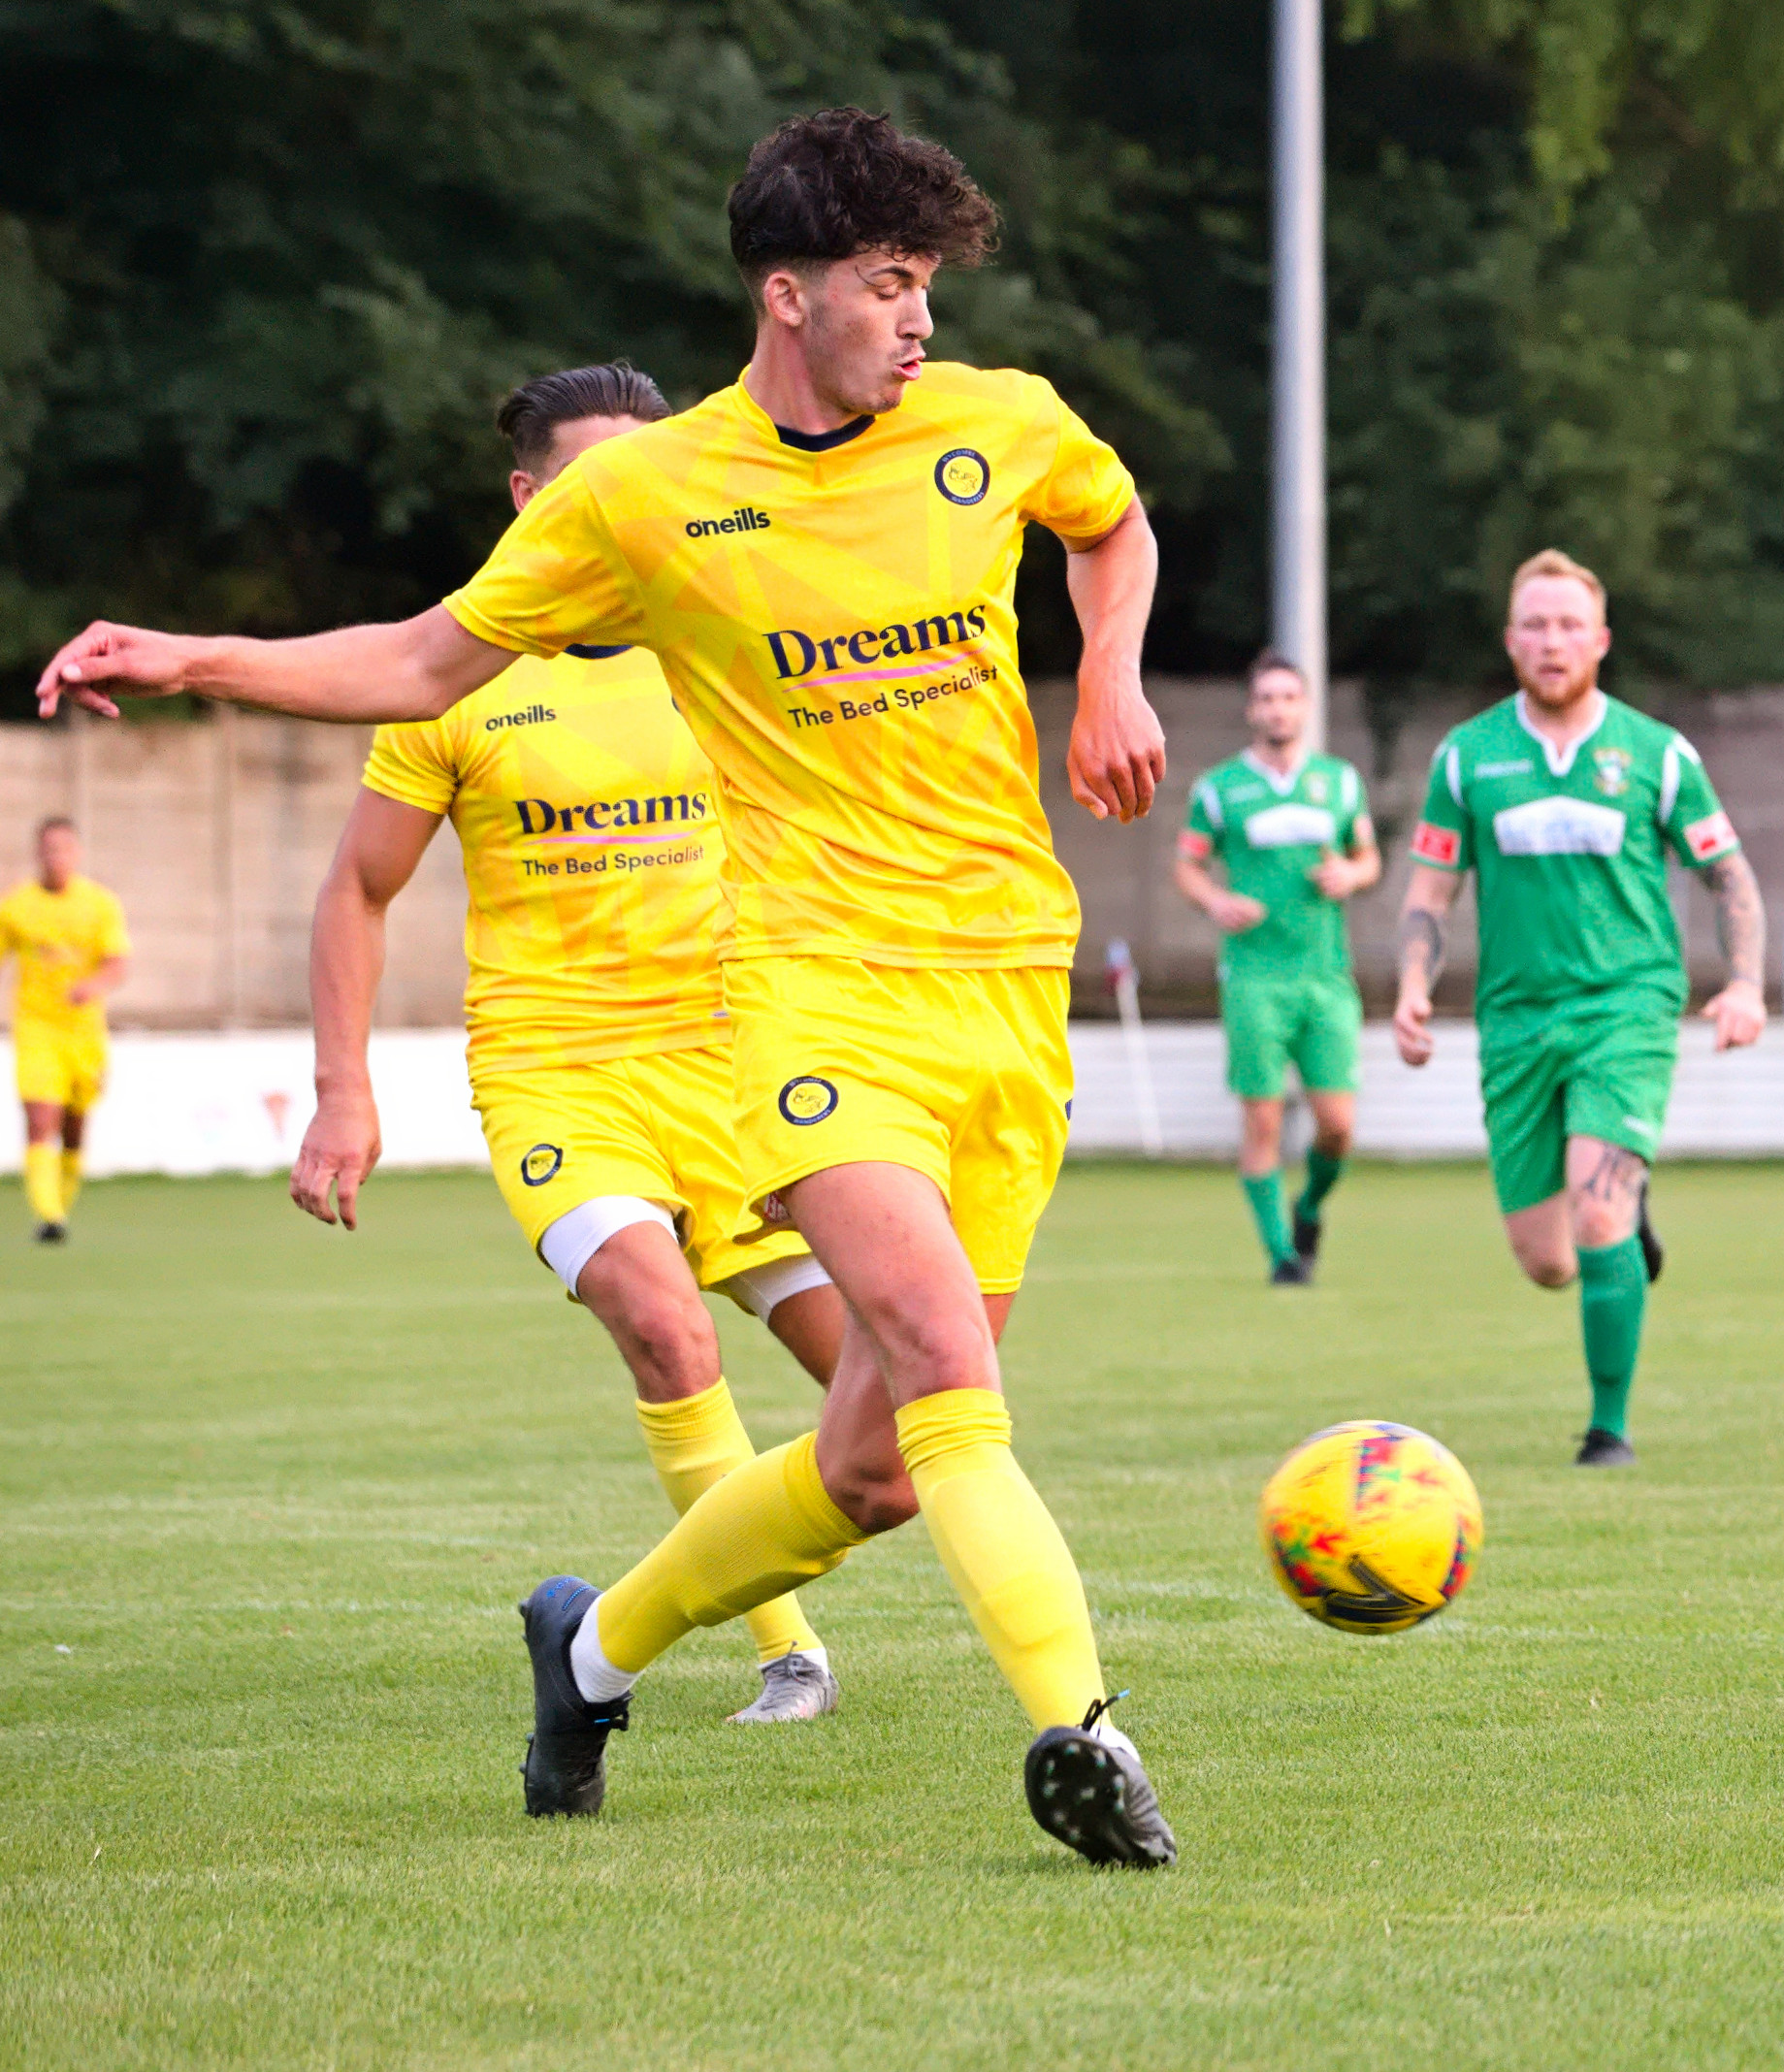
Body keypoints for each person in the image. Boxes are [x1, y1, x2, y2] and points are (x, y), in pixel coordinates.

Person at [37, 110, 1180, 1865]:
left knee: (876, 1469)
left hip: (1005, 993)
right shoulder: (646, 498)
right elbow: (422, 655)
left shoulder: (996, 423)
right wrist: (189, 653)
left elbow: (1112, 528)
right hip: (806, 999)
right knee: (948, 1368)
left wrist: (1105, 668)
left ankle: (589, 1650)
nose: (919, 320)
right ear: (787, 297)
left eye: (929, 285)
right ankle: (1079, 1735)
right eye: (890, 287)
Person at [291, 362, 901, 1728]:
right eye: (596, 484)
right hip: (559, 1074)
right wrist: (344, 1093)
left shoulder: (726, 640)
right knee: (666, 1331)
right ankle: (787, 1655)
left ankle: (709, 1587)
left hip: (751, 1070)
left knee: (902, 1406)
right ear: (529, 498)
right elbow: (358, 889)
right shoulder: (458, 676)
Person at [1391, 550, 1765, 1467]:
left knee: (1594, 1221)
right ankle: (1628, 1221)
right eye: (1535, 625)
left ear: (1600, 641)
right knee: (1549, 1261)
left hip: (1625, 1009)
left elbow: (1730, 878)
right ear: (1510, 641)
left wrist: (1745, 981)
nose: (1552, 642)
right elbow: (1432, 889)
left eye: (1569, 626)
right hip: (1515, 1022)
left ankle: (1610, 1429)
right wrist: (1410, 988)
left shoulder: (1657, 755)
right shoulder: (1468, 758)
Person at [1172, 652, 1379, 1285]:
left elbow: (1367, 857)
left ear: (1305, 706)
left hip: (1325, 977)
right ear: (1250, 709)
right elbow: (1187, 866)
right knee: (1261, 1120)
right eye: (1266, 698)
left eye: (1288, 697)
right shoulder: (1219, 788)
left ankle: (1309, 1207)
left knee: (1338, 1128)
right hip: (1255, 978)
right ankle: (1282, 1256)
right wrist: (1215, 900)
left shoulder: (1340, 783)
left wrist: (1350, 874)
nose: (1277, 709)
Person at [1, 818, 128, 1243]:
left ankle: (62, 1198)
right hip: (36, 1028)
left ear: (76, 853)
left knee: (74, 1127)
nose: (56, 857)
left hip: (84, 1034)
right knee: (40, 1120)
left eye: (64, 849)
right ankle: (50, 1215)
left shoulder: (100, 904)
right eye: (49, 849)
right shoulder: (16, 907)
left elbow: (117, 963)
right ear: (39, 853)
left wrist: (92, 985)